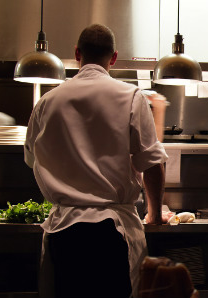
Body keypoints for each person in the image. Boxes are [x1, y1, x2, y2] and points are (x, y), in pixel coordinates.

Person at [24, 24, 169, 298]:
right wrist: (155, 212)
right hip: (111, 232)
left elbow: (32, 159)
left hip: (63, 232)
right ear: (113, 57)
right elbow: (151, 162)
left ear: (77, 53)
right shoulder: (131, 96)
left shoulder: (47, 101)